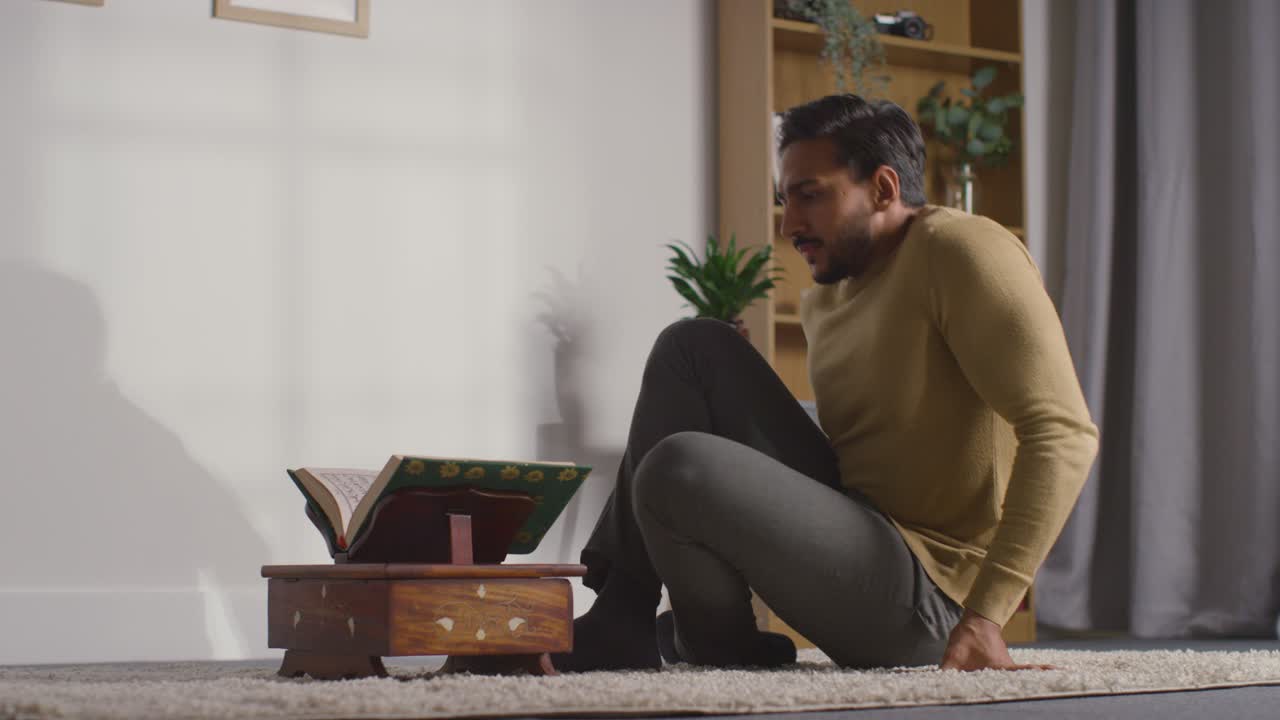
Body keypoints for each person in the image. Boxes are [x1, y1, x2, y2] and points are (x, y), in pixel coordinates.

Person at [551, 94, 1099, 673]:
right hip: (864, 531)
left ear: (884, 189)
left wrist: (987, 616)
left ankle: (712, 640)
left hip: (932, 599)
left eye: (810, 196)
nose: (789, 226)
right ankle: (625, 613)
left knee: (678, 465)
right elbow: (871, 450)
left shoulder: (962, 251)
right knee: (692, 347)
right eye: (785, 201)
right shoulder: (828, 296)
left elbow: (1064, 433)